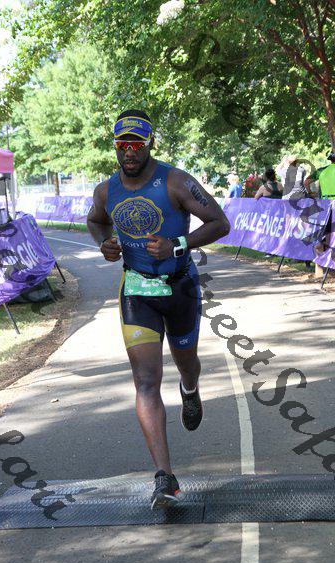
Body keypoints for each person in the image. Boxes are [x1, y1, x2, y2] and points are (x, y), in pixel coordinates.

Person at [87, 109, 230, 510]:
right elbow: (96, 221)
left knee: (187, 363)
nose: (129, 151)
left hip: (179, 287)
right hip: (137, 291)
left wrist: (177, 245)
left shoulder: (176, 181)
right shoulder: (106, 191)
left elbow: (220, 223)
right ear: (115, 146)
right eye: (122, 144)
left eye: (137, 143)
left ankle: (190, 389)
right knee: (146, 380)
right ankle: (164, 477)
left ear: (150, 144)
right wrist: (105, 244)